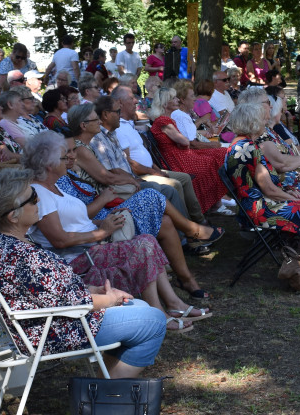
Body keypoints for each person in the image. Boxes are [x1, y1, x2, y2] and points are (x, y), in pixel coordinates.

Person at [0, 169, 168, 364]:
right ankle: (110, 391)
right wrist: (109, 299)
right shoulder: (25, 256)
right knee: (154, 320)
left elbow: (51, 293)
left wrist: (92, 290)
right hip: (56, 332)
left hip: (43, 323)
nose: (38, 201)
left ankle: (106, 384)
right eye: (32, 198)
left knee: (138, 307)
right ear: (13, 216)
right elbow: (74, 304)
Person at [21, 133, 202, 331]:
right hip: (79, 260)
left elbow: (75, 222)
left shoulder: (54, 187)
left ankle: (173, 304)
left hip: (92, 246)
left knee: (147, 239)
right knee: (144, 244)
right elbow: (60, 240)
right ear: (49, 163)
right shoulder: (40, 194)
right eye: (64, 157)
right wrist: (102, 232)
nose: (70, 159)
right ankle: (158, 313)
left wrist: (104, 221)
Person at [65, 105, 222, 295]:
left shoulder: (87, 146)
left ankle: (186, 279)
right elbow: (105, 178)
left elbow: (110, 172)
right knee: (153, 194)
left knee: (165, 219)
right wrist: (128, 180)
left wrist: (126, 178)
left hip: (106, 201)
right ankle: (192, 231)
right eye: (94, 119)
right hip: (102, 208)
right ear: (83, 125)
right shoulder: (80, 149)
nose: (99, 121)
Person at [225, 104, 300, 279]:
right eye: (261, 119)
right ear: (252, 122)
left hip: (257, 204)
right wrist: (292, 198)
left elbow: (266, 186)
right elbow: (269, 189)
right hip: (259, 210)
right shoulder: (248, 149)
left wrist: (289, 194)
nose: (265, 122)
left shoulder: (242, 144)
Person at [105, 86, 209, 225]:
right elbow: (130, 164)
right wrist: (154, 171)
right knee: (176, 183)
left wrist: (156, 169)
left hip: (152, 169)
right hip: (142, 174)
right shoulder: (119, 128)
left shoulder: (127, 124)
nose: (136, 101)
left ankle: (198, 219)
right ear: (120, 103)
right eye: (131, 98)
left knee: (184, 178)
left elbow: (144, 153)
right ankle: (189, 226)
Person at [149, 87, 232, 215]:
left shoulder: (166, 119)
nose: (177, 100)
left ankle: (214, 200)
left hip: (180, 154)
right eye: (173, 98)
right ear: (165, 103)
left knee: (220, 154)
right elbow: (185, 142)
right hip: (177, 158)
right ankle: (204, 202)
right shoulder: (163, 121)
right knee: (216, 158)